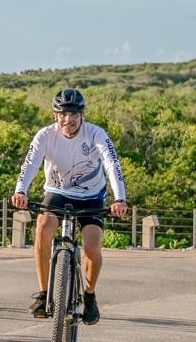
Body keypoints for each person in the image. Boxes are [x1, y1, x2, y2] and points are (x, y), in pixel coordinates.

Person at [12, 89, 128, 325]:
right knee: (43, 230)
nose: (68, 119)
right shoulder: (45, 135)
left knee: (92, 247)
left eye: (73, 114)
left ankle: (90, 295)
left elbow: (111, 164)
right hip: (57, 192)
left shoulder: (96, 134)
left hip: (91, 196)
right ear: (55, 115)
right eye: (63, 114)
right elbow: (30, 163)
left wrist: (120, 198)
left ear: (82, 114)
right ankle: (44, 294)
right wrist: (20, 190)